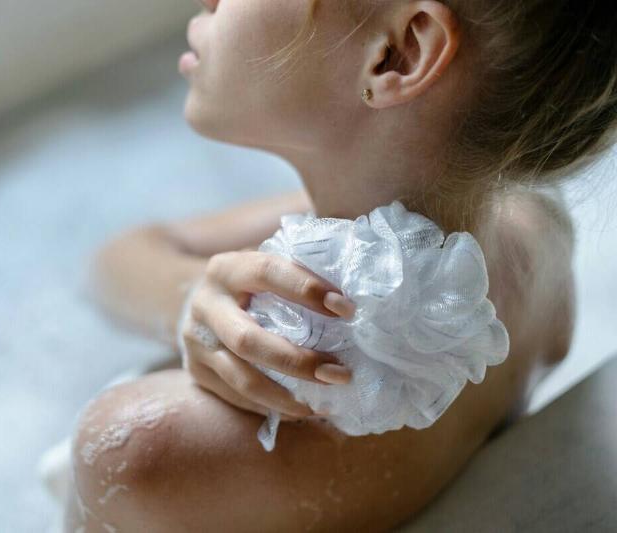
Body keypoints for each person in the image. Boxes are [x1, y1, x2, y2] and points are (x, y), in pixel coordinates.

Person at [65, 1, 617, 530]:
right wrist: (193, 298)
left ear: (397, 54)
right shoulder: (535, 234)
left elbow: (106, 267)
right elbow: (117, 258)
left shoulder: (138, 452)